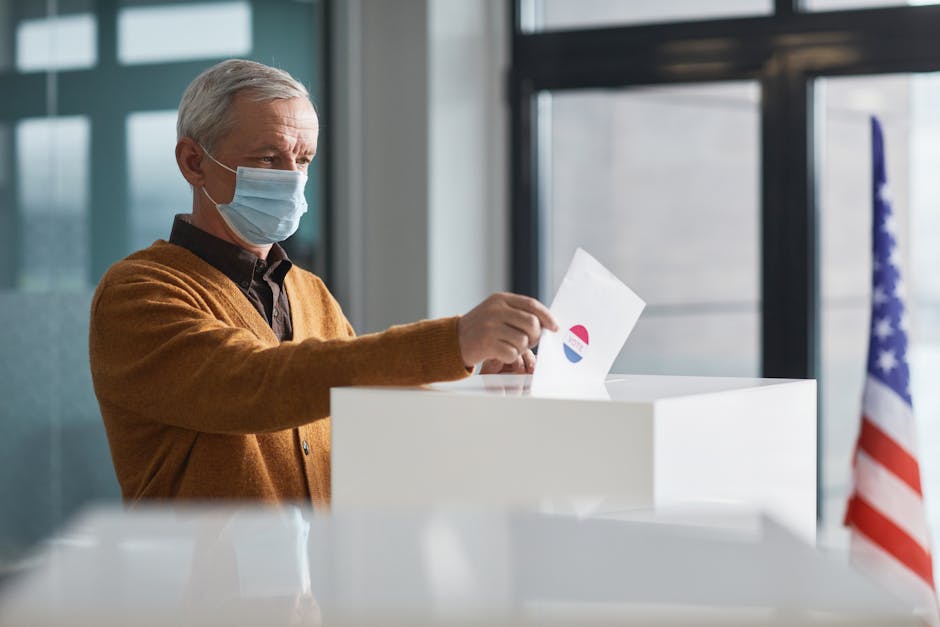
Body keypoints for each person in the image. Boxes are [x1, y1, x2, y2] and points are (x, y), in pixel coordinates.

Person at [88, 59, 557, 505]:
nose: (293, 179)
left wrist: (484, 395)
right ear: (194, 162)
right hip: (195, 589)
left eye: (304, 159)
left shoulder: (308, 291)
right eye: (269, 158)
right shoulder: (138, 292)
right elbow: (260, 382)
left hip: (317, 585)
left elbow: (375, 415)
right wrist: (452, 341)